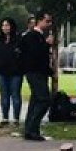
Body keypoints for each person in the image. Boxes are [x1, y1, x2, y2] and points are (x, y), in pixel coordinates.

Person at [20, 11, 54, 141]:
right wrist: (47, 44)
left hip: (40, 71)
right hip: (34, 72)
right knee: (44, 99)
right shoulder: (32, 36)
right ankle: (32, 127)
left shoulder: (39, 36)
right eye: (47, 21)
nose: (49, 24)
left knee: (35, 100)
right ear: (39, 21)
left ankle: (30, 130)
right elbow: (35, 54)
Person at [0, 17, 25, 129]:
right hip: (1, 72)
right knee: (4, 95)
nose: (5, 28)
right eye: (3, 25)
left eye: (7, 25)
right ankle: (5, 118)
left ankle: (16, 119)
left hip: (16, 72)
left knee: (15, 94)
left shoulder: (19, 39)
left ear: (12, 26)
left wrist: (20, 65)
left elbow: (23, 54)